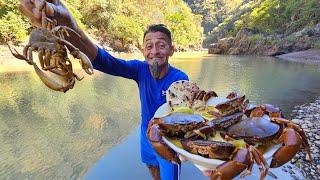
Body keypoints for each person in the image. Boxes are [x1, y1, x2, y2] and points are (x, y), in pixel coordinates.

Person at [19, 1, 189, 179]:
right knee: (153, 169)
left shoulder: (180, 79)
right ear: (143, 51)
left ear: (171, 50)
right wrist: (70, 26)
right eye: (149, 46)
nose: (155, 51)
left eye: (161, 45)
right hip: (145, 136)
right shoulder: (140, 70)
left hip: (168, 142)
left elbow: (185, 117)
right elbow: (104, 61)